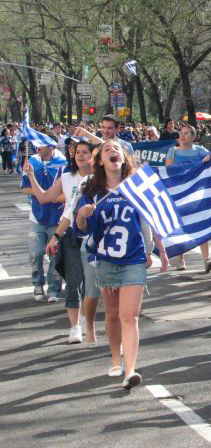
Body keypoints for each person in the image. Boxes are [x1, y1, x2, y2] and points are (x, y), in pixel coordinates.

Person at [76, 139, 168, 389]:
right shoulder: (91, 190)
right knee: (114, 314)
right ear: (101, 161)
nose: (113, 152)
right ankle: (116, 359)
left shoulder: (136, 186)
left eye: (117, 149)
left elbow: (149, 218)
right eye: (107, 150)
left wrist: (158, 250)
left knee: (130, 316)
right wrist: (82, 215)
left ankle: (131, 369)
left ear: (124, 157)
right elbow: (81, 229)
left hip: (134, 258)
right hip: (105, 259)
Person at [26, 139, 98, 344]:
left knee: (90, 285)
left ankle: (87, 322)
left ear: (93, 156)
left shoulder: (101, 179)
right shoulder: (67, 177)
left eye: (85, 152)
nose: (80, 155)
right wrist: (31, 175)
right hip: (70, 233)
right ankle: (75, 326)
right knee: (74, 280)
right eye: (77, 152)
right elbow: (44, 197)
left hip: (94, 235)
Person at [21, 141, 66, 302]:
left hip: (57, 218)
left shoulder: (63, 163)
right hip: (37, 216)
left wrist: (51, 196)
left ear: (52, 146)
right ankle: (37, 284)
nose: (38, 147)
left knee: (55, 255)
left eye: (42, 144)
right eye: (36, 145)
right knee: (36, 252)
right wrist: (44, 194)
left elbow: (66, 191)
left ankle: (54, 289)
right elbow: (25, 188)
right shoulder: (31, 162)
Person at [165, 124, 211, 272]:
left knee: (201, 223)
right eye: (181, 133)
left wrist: (207, 159)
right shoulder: (173, 151)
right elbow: (169, 171)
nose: (182, 136)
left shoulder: (200, 150)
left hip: (196, 193)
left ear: (193, 137)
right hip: (179, 193)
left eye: (186, 133)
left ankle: (206, 259)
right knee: (181, 225)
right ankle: (181, 259)